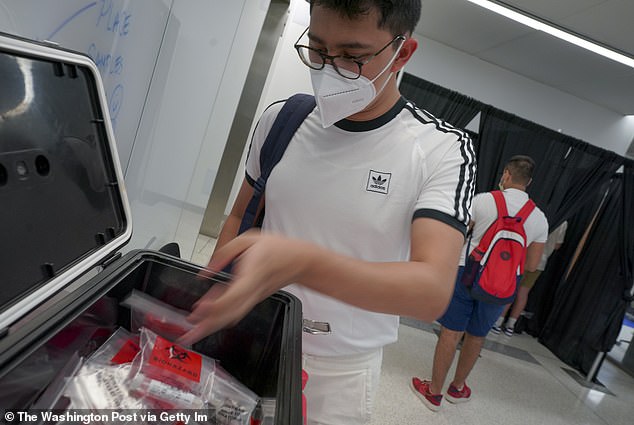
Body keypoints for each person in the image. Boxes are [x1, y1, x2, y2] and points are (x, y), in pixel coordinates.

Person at [178, 1, 476, 424]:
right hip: (250, 335)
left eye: (353, 57)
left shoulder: (440, 149)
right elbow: (239, 216)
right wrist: (214, 289)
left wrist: (301, 263)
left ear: (401, 53)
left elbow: (431, 292)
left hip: (338, 373)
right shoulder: (283, 119)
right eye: (317, 49)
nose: (329, 69)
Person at [411, 155, 548, 412]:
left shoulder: (484, 200)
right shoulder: (539, 218)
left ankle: (434, 393)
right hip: (503, 285)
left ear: (506, 174)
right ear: (528, 182)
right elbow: (531, 265)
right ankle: (457, 388)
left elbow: (459, 233)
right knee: (477, 336)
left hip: (467, 273)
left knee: (450, 333)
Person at [491, 220, 568, 336]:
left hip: (523, 258)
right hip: (540, 263)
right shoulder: (563, 222)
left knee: (511, 289)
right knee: (523, 292)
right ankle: (511, 325)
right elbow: (557, 245)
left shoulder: (540, 214)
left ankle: (498, 321)